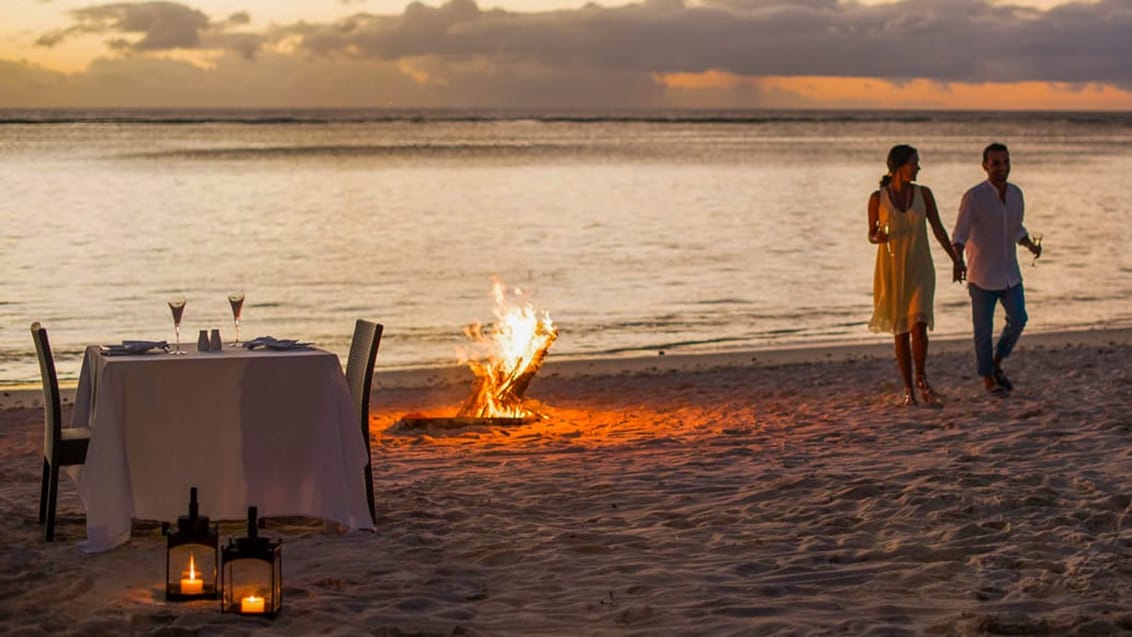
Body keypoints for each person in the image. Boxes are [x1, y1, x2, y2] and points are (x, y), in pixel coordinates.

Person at [868, 144, 965, 406]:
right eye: (914, 163)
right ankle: (909, 389)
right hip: (892, 270)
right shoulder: (878, 198)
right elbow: (871, 234)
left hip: (921, 267)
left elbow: (938, 229)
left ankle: (922, 378)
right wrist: (878, 237)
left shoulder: (924, 194)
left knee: (919, 326)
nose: (918, 167)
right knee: (900, 332)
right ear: (898, 167)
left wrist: (957, 259)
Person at [951, 142, 1042, 394]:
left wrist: (1029, 245)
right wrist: (957, 261)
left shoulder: (1016, 194)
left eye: (1005, 162)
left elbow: (1016, 228)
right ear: (985, 166)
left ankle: (997, 362)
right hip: (981, 274)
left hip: (1010, 273)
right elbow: (958, 234)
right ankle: (988, 380)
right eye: (996, 163)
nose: (1002, 168)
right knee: (983, 330)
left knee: (1019, 319)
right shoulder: (974, 197)